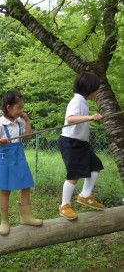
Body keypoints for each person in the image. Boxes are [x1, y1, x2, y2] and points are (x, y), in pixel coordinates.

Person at [0, 90, 42, 235]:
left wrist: (27, 120)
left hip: (19, 157)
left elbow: (29, 136)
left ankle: (26, 216)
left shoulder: (20, 121)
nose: (21, 111)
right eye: (18, 108)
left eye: (22, 108)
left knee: (26, 185)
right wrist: (0, 141)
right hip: (5, 158)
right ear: (8, 107)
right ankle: (4, 221)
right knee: (5, 190)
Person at [58, 72, 104, 220]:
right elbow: (70, 119)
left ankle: (85, 195)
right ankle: (64, 205)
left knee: (95, 165)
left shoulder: (83, 101)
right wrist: (90, 117)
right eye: (96, 89)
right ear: (89, 88)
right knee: (75, 174)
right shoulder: (77, 101)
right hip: (70, 142)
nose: (97, 92)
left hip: (81, 143)